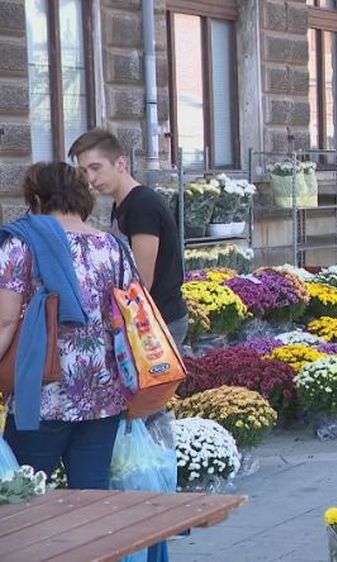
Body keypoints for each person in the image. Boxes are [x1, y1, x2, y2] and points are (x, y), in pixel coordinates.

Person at [0, 162, 139, 489]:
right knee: (91, 498)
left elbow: (5, 320)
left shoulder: (21, 244)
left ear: (35, 199)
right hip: (103, 394)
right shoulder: (115, 247)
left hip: (42, 395)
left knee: (23, 493)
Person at [69, 129, 188, 345]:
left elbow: (142, 281)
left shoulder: (142, 205)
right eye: (84, 171)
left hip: (157, 322)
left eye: (96, 168)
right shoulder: (122, 203)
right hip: (146, 319)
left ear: (121, 164)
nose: (91, 179)